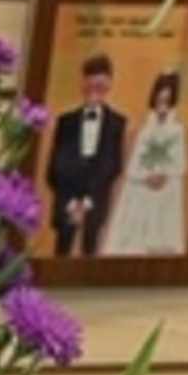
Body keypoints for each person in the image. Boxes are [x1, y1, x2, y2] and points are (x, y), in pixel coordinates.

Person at [47, 52, 127, 258]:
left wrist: (89, 202)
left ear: (109, 84)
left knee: (90, 253)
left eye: (100, 86)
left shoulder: (117, 123)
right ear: (83, 83)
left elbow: (113, 165)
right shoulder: (66, 122)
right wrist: (72, 202)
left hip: (96, 199)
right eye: (90, 84)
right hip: (67, 198)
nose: (94, 91)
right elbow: (56, 167)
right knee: (61, 253)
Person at [104, 71, 188, 257]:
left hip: (165, 192)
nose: (162, 107)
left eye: (167, 102)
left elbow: (181, 164)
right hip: (142, 189)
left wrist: (163, 175)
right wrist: (145, 176)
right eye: (160, 101)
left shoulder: (177, 130)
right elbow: (133, 166)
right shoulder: (145, 131)